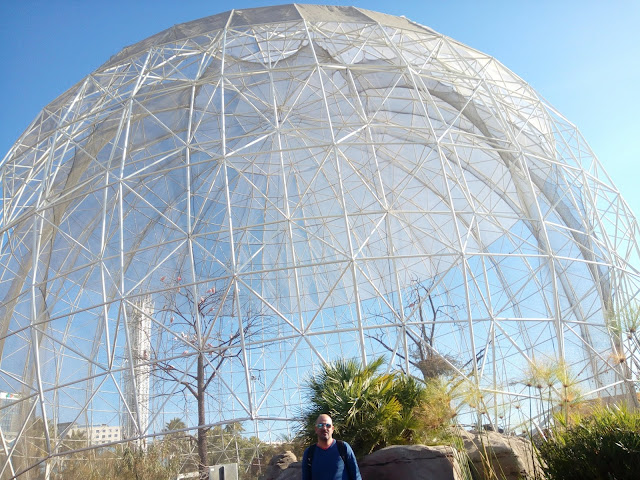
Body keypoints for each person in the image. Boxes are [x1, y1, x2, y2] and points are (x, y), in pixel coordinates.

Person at [301, 414, 362, 480]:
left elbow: (356, 476)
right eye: (320, 425)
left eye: (328, 425)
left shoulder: (343, 447)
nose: (324, 428)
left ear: (332, 429)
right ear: (316, 429)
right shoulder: (309, 453)